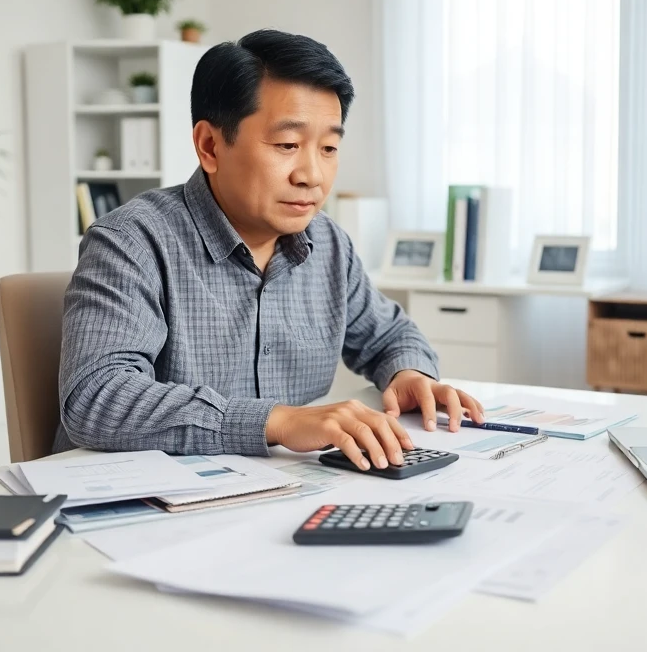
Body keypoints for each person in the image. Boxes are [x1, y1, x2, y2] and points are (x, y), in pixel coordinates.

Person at [55, 29, 483, 471]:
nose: (312, 175)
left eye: (329, 148)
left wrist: (409, 375)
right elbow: (96, 396)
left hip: (281, 494)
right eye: (287, 145)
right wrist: (275, 421)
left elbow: (390, 336)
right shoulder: (132, 241)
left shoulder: (328, 245)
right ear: (210, 146)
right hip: (144, 506)